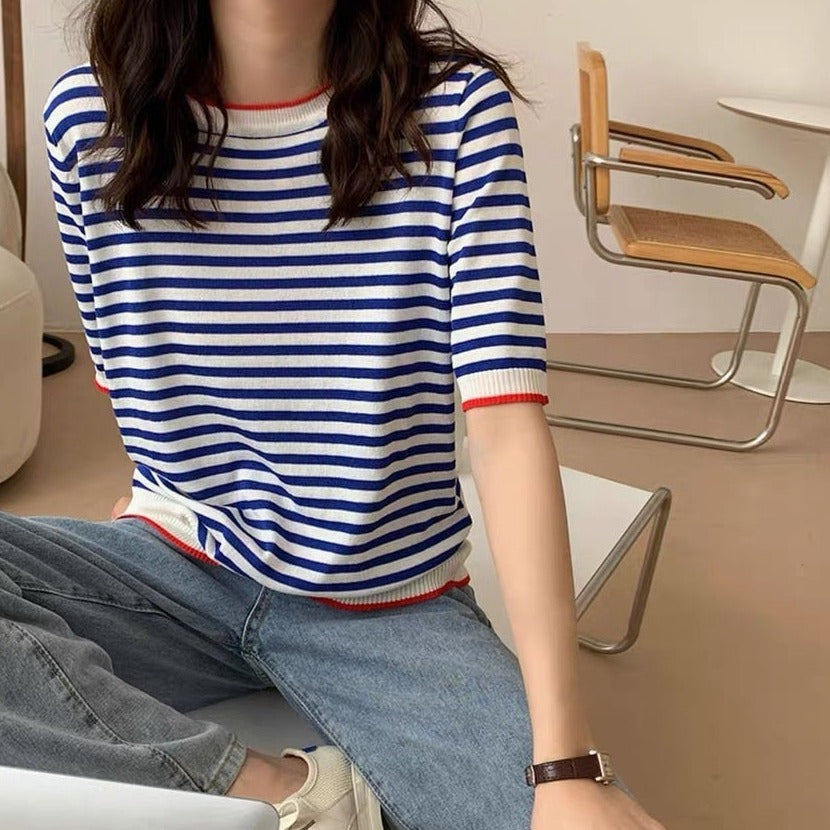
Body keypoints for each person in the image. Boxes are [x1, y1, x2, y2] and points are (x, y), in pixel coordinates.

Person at [0, 1, 666, 828]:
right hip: (176, 570)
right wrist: (157, 500)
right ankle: (285, 792)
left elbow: (506, 426)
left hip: (389, 609)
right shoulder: (88, 122)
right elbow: (130, 374)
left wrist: (566, 762)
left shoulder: (455, 112)